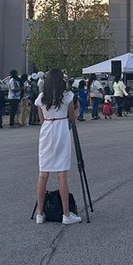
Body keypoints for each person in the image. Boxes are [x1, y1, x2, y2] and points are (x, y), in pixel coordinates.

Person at [32, 68, 83, 225]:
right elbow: (73, 118)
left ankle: (40, 213)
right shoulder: (67, 96)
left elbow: (41, 119)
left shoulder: (42, 97)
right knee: (62, 174)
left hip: (47, 131)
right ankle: (66, 214)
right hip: (61, 130)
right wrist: (77, 108)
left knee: (43, 173)